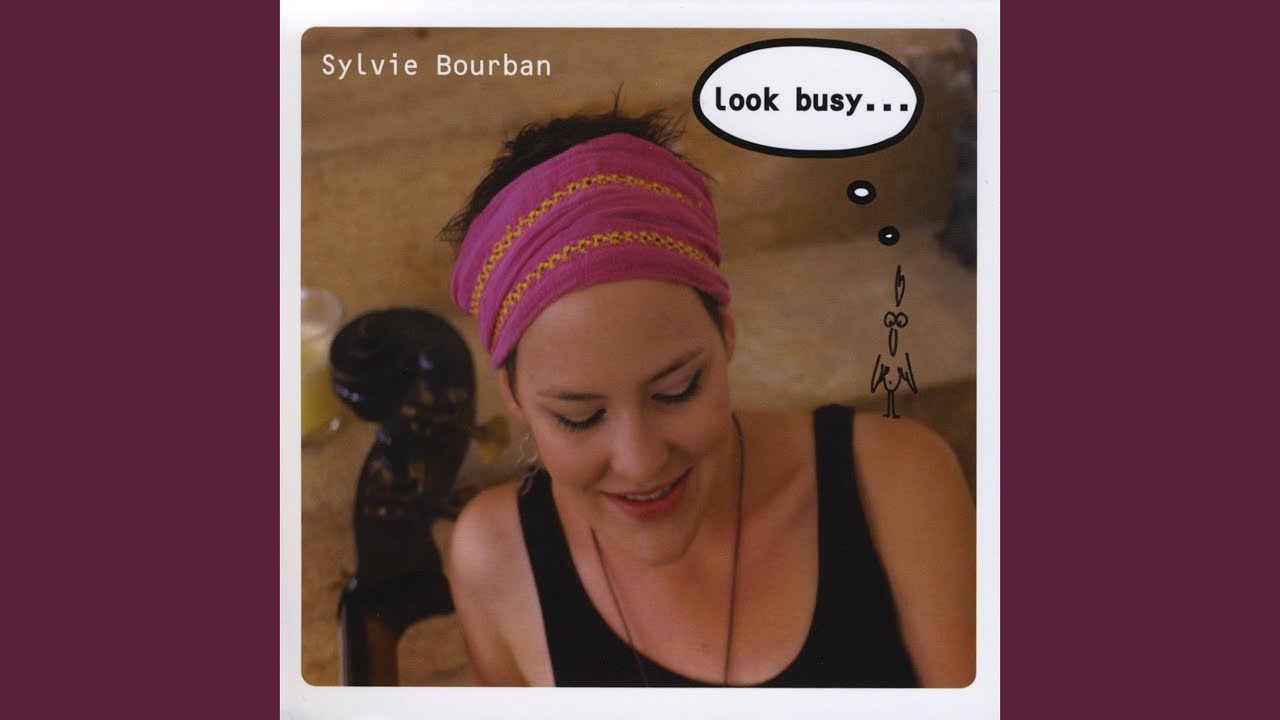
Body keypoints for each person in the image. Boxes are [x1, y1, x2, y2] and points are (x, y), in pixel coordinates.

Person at [440, 109, 975, 687]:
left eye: (676, 391)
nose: (641, 460)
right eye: (580, 417)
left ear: (726, 335)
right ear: (514, 397)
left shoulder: (893, 481)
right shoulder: (496, 558)